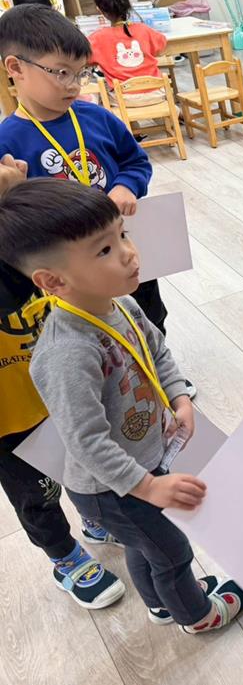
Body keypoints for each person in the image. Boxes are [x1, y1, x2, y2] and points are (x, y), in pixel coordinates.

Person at [0, 178, 243, 632]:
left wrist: (178, 396)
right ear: (53, 281)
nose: (130, 253)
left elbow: (157, 351)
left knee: (145, 546)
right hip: (109, 489)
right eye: (104, 250)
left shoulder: (122, 306)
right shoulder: (66, 351)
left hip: (143, 461)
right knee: (172, 552)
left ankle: (160, 603)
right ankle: (197, 615)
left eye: (123, 235)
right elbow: (86, 443)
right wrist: (148, 488)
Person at [0, 4, 194, 396]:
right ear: (15, 68)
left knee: (148, 316)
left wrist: (125, 186)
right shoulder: (8, 142)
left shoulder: (96, 117)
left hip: (122, 244)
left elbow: (135, 161)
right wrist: (11, 191)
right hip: (72, 271)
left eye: (81, 72)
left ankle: (158, 380)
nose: (74, 84)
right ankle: (111, 391)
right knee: (87, 338)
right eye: (61, 72)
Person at [0, 159, 126, 610]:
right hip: (8, 415)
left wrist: (16, 202)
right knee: (37, 493)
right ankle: (64, 556)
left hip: (56, 386)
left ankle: (93, 518)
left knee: (81, 460)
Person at [88, 0, 168, 106]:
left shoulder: (97, 38)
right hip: (157, 94)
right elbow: (161, 45)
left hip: (124, 100)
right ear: (126, 3)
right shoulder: (144, 30)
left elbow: (86, 59)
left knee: (98, 94)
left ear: (100, 10)